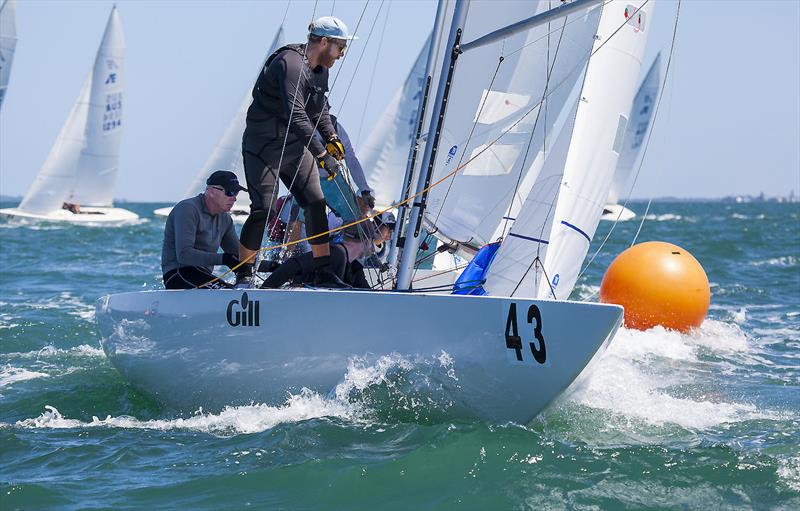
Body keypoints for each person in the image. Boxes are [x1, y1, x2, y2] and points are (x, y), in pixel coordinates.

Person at [237, 16, 356, 288]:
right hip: (263, 148)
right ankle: (243, 276)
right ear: (324, 42)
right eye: (340, 47)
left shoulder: (320, 70)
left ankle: (323, 272)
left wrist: (332, 137)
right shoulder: (290, 65)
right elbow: (297, 115)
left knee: (314, 203)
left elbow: (319, 110)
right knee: (263, 210)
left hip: (293, 148)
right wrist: (322, 155)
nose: (341, 55)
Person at [161, 171, 246, 289]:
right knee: (228, 292)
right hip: (178, 273)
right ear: (211, 191)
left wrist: (272, 267)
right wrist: (225, 259)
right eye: (230, 192)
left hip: (202, 275)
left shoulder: (225, 219)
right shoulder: (187, 209)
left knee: (237, 290)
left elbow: (239, 256)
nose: (234, 198)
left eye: (236, 193)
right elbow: (184, 255)